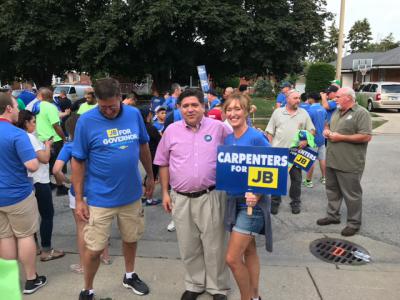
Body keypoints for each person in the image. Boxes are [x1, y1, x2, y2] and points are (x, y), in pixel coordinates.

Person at [71, 78, 154, 300]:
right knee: (95, 248)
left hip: (131, 194)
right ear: (96, 101)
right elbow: (77, 160)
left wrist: (150, 177)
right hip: (99, 198)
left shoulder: (133, 114)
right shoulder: (86, 121)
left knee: (131, 237)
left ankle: (129, 275)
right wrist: (79, 199)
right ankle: (87, 289)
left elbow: (143, 146)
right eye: (103, 107)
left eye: (112, 106)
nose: (108, 111)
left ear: (120, 97)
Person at [154, 88, 231, 300]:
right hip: (181, 197)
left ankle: (217, 287)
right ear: (179, 108)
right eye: (185, 105)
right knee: (188, 245)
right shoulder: (171, 131)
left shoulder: (219, 129)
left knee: (215, 245)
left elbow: (237, 151)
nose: (190, 109)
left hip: (212, 195)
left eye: (194, 105)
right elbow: (162, 162)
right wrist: (166, 194)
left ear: (203, 107)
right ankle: (195, 284)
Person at [223, 93, 272, 300]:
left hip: (251, 206)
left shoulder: (256, 137)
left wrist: (259, 193)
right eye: (229, 110)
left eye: (237, 109)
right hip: (234, 202)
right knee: (249, 252)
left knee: (232, 259)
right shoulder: (228, 138)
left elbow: (274, 167)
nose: (233, 113)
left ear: (246, 110)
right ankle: (255, 295)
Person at [0, 92, 47, 295]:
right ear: (8, 109)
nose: (19, 110)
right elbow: (33, 165)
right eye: (16, 107)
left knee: (4, 237)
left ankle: (9, 283)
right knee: (25, 235)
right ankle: (31, 279)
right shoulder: (17, 134)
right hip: (18, 193)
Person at [53, 113, 110, 275]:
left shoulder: (69, 146)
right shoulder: (96, 143)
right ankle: (105, 256)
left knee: (81, 228)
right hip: (98, 189)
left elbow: (56, 169)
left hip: (77, 192)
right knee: (100, 223)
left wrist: (66, 180)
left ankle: (83, 265)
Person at [317, 88, 372, 237]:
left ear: (348, 98)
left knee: (352, 194)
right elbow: (328, 125)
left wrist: (341, 137)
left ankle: (354, 223)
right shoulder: (337, 111)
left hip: (350, 162)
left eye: (338, 97)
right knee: (332, 190)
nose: (335, 99)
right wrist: (326, 131)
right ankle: (333, 216)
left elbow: (366, 136)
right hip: (332, 160)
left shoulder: (361, 113)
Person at [16, 110, 65, 262]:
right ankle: (46, 250)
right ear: (26, 123)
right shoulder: (30, 137)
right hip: (39, 180)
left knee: (32, 216)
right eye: (33, 122)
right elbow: (44, 158)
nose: (35, 125)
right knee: (47, 215)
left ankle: (36, 246)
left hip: (27, 180)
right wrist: (48, 145)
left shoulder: (18, 136)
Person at [265, 90, 315, 215]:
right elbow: (269, 132)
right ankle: (275, 202)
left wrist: (305, 140)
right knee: (276, 179)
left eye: (299, 98)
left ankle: (295, 202)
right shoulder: (278, 113)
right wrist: (269, 147)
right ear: (287, 99)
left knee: (297, 180)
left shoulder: (303, 113)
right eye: (295, 98)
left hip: (296, 153)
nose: (298, 100)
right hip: (278, 152)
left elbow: (312, 130)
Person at [35, 87, 69, 196]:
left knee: (47, 164)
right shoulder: (51, 107)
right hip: (54, 139)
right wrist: (64, 138)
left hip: (42, 139)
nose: (37, 95)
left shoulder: (37, 107)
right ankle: (60, 187)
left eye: (38, 93)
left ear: (42, 96)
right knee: (57, 165)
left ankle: (49, 184)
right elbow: (55, 125)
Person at [303, 93, 328, 187]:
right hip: (322, 138)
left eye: (308, 98)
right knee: (322, 159)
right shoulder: (323, 109)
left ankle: (308, 181)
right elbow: (326, 124)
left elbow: (306, 126)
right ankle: (324, 178)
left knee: (310, 160)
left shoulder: (309, 111)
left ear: (311, 99)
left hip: (312, 139)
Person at [139, 107, 162, 206]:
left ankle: (144, 196)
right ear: (148, 115)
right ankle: (149, 199)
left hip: (145, 155)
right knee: (151, 177)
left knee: (148, 176)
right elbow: (160, 141)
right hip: (153, 155)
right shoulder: (151, 127)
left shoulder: (140, 127)